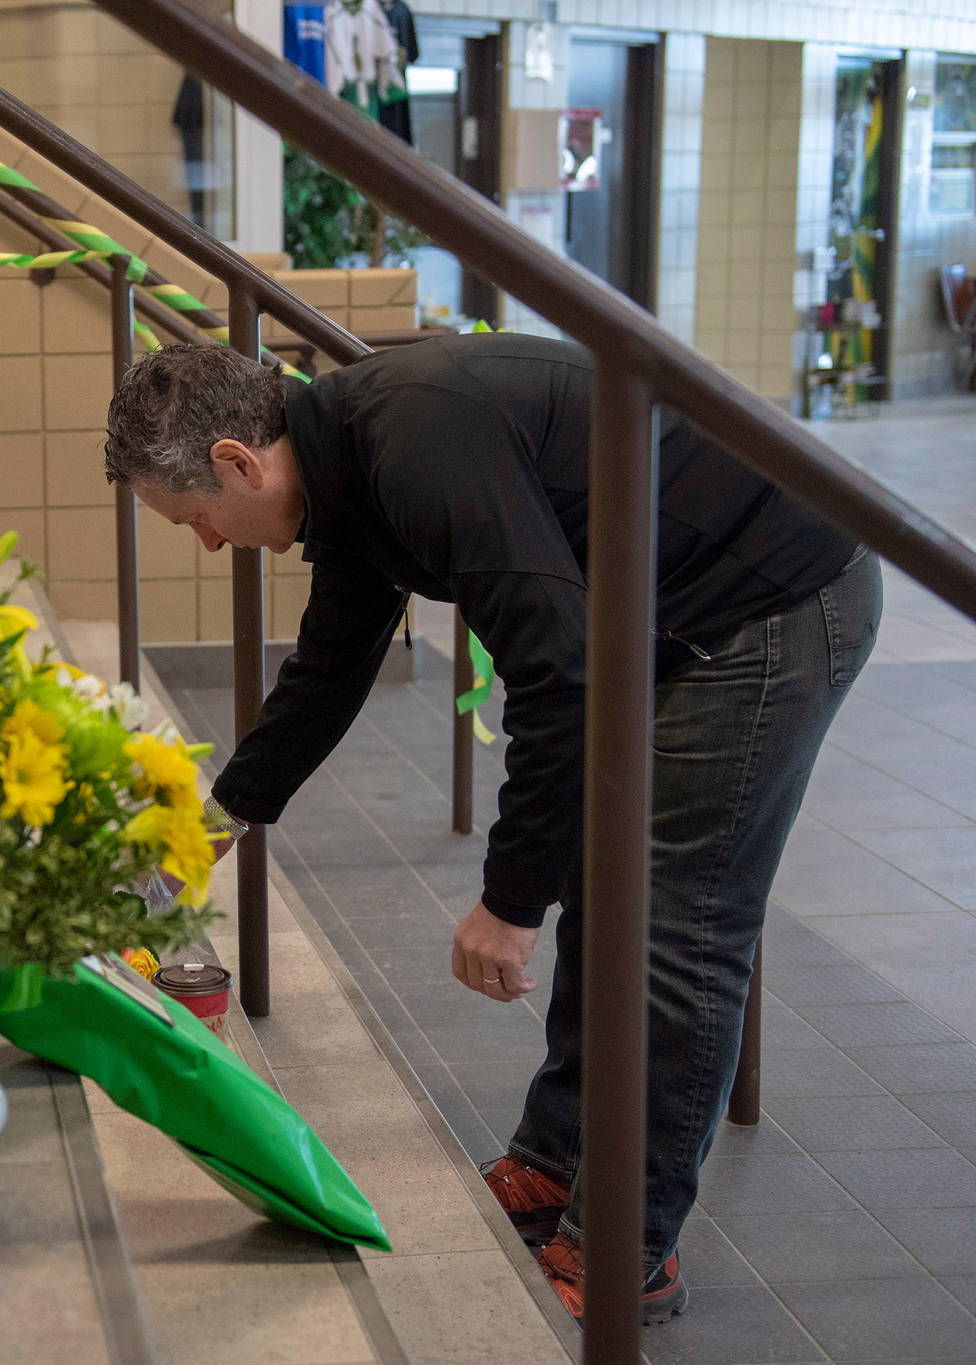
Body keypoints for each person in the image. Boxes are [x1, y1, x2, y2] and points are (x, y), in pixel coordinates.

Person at [104, 335, 880, 1325]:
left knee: (674, 929)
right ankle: (556, 1164)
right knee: (605, 897)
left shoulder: (418, 447)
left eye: (194, 520)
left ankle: (626, 1254)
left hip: (766, 602)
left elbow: (556, 677)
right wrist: (215, 825)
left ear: (234, 462)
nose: (207, 543)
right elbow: (328, 667)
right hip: (662, 612)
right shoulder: (343, 462)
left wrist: (508, 904)